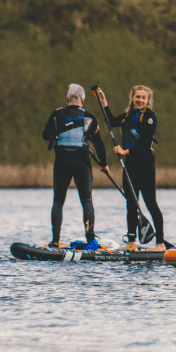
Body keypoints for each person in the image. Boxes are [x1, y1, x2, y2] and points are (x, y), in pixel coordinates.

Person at [96, 84, 170, 252]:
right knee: (131, 204)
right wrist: (104, 102)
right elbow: (112, 121)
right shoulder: (128, 115)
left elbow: (145, 143)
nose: (140, 100)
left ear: (148, 100)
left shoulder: (149, 116)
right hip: (130, 166)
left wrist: (125, 151)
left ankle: (160, 244)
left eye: (143, 98)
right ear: (133, 98)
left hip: (145, 165)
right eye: (137, 97)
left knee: (151, 203)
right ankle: (131, 243)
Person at [41, 83, 109, 247]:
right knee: (86, 201)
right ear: (83, 99)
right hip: (82, 162)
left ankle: (55, 241)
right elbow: (98, 143)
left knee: (58, 200)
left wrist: (57, 135)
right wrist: (104, 164)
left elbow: (45, 135)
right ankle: (91, 241)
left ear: (67, 98)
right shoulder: (90, 117)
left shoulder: (57, 115)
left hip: (62, 162)